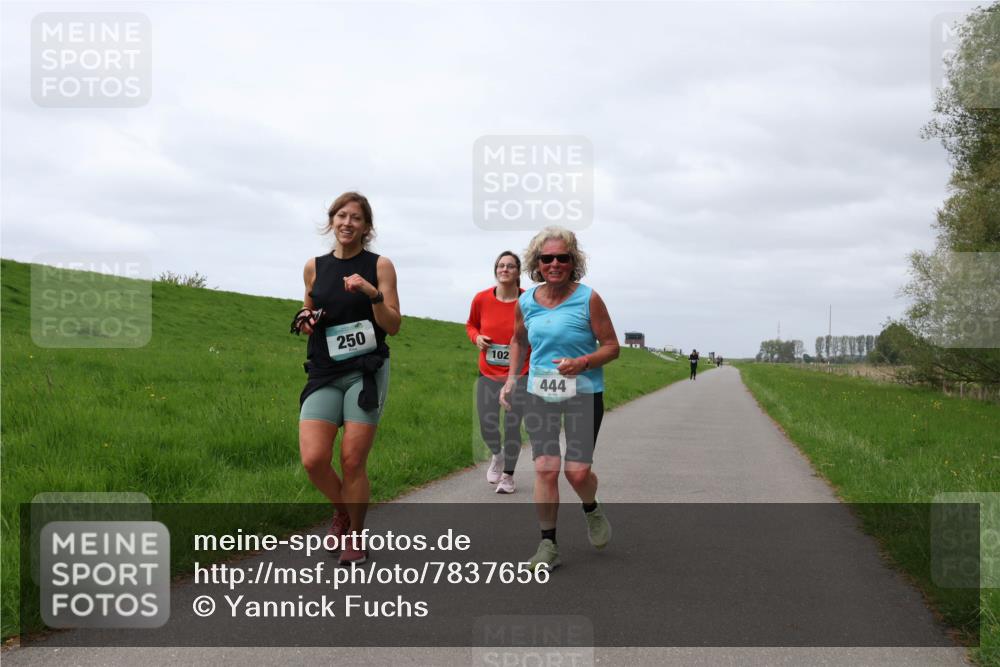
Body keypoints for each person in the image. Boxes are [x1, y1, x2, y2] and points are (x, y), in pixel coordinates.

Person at [500, 226, 620, 571]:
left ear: (573, 262)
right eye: (547, 258)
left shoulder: (588, 298)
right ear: (537, 263)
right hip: (540, 393)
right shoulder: (526, 301)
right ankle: (548, 544)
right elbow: (518, 341)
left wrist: (582, 362)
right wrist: (511, 380)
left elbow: (612, 347)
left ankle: (591, 508)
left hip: (584, 393)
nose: (554, 264)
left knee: (577, 473)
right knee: (545, 468)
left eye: (562, 258)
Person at [294, 192, 400, 566]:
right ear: (332, 220)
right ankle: (341, 510)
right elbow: (309, 309)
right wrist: (306, 320)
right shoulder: (314, 266)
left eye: (356, 218)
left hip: (365, 371)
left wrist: (372, 294)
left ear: (366, 227)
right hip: (324, 369)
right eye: (342, 215)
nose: (347, 223)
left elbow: (394, 325)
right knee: (314, 459)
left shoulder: (380, 265)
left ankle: (354, 536)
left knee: (352, 461)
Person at [466, 251, 531, 494]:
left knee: (513, 426)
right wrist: (477, 337)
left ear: (518, 272)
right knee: (487, 423)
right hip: (489, 372)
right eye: (501, 266)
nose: (504, 269)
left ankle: (508, 477)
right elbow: (471, 325)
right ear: (496, 270)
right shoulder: (481, 299)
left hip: (520, 373)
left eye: (510, 266)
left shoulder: (527, 301)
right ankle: (497, 454)